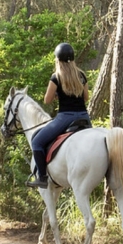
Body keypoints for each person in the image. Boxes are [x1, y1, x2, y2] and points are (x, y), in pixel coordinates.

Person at [27, 43, 91, 188]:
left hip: (66, 117)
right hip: (84, 117)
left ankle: (42, 177)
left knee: (37, 142)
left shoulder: (56, 77)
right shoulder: (82, 76)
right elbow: (86, 97)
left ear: (58, 60)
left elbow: (47, 100)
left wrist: (57, 94)